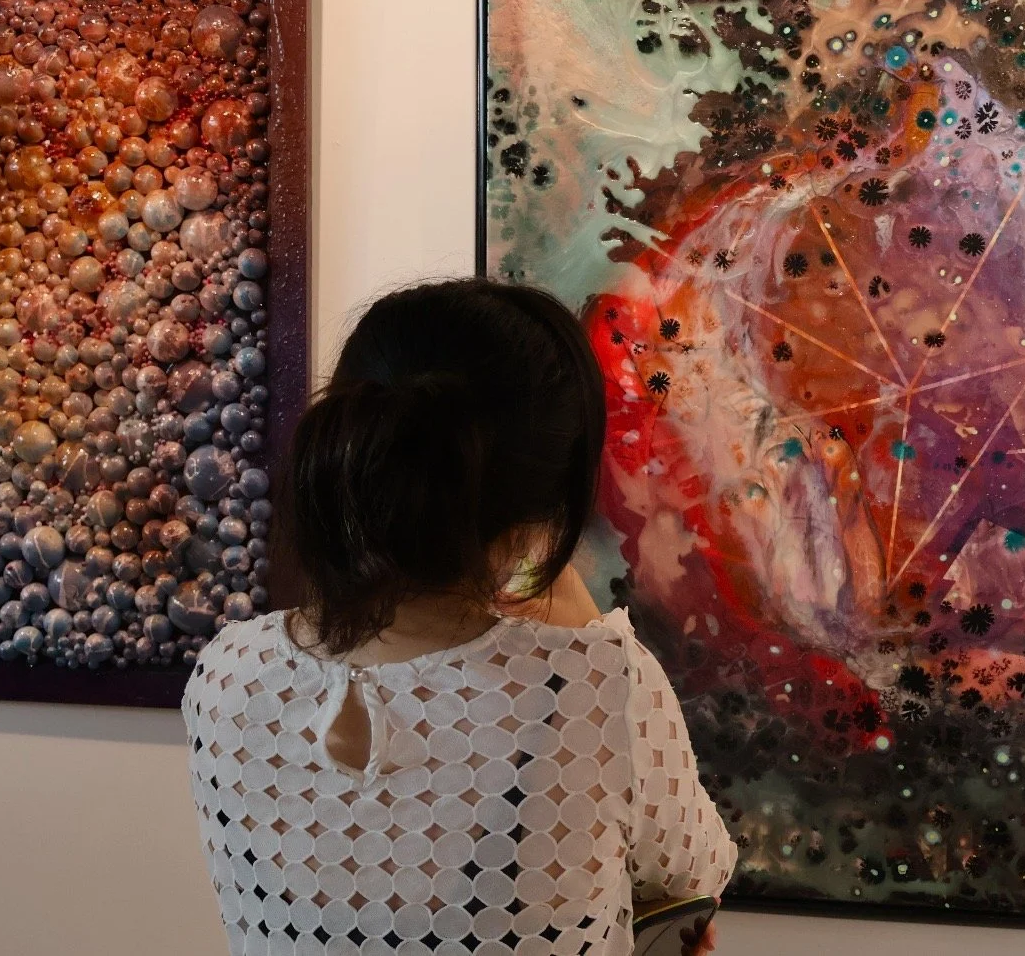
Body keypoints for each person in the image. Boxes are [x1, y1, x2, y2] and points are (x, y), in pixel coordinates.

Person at [183, 279, 737, 955]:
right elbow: (692, 883)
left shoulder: (228, 674)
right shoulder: (599, 684)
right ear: (550, 493)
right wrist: (558, 585)